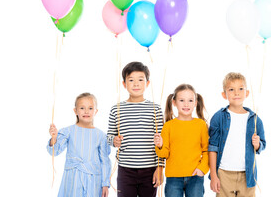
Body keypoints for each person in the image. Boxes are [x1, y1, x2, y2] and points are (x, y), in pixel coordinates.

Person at [107, 61, 164, 197]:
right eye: (131, 80)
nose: (136, 84)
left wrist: (160, 168)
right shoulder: (117, 109)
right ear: (124, 84)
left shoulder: (155, 109)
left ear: (147, 83)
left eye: (140, 80)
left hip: (150, 169)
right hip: (126, 169)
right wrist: (114, 140)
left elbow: (162, 143)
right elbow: (109, 136)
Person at [209, 72, 266, 197]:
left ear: (247, 93)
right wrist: (213, 174)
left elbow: (262, 144)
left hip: (247, 174)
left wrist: (257, 145)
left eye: (241, 88)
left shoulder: (255, 119)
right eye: (231, 89)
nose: (236, 93)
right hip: (224, 173)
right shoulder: (219, 117)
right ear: (224, 95)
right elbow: (212, 147)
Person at [47, 92, 111, 197]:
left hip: (93, 179)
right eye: (82, 108)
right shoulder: (68, 131)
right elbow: (55, 151)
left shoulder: (100, 135)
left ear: (96, 111)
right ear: (75, 111)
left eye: (90, 108)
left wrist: (105, 184)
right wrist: (54, 138)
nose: (86, 111)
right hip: (73, 178)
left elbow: (105, 161)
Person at [154, 84, 209, 197]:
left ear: (195, 102)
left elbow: (207, 150)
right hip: (173, 178)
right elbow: (164, 154)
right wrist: (160, 145)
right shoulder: (168, 126)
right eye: (182, 100)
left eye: (190, 100)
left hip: (195, 177)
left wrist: (202, 169)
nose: (186, 104)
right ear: (174, 102)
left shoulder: (201, 125)